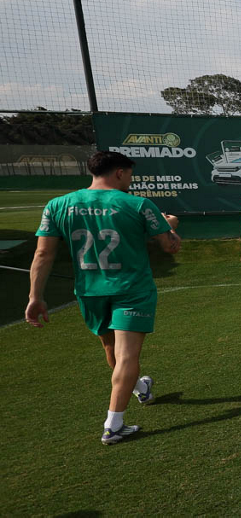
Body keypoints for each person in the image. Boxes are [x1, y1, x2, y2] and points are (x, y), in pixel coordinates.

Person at [27, 150, 182, 445]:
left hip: (89, 290)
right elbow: (170, 247)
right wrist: (171, 225)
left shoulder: (57, 205)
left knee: (112, 350)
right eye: (130, 175)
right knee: (127, 356)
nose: (130, 180)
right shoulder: (137, 204)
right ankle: (113, 425)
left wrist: (35, 296)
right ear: (120, 172)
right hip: (131, 289)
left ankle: (140, 389)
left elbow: (43, 253)